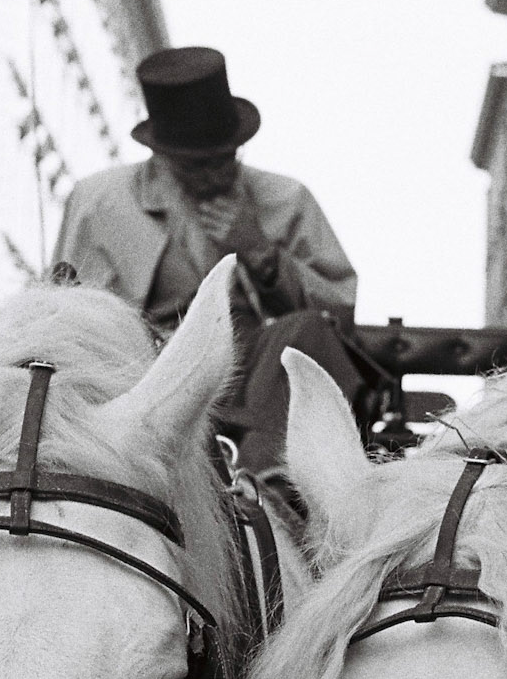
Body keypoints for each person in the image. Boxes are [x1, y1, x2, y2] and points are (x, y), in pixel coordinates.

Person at [52, 45, 364, 475]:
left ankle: (261, 487)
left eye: (226, 159)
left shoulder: (287, 200)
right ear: (162, 157)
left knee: (306, 334)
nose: (216, 177)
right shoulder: (98, 202)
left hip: (253, 380)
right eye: (196, 166)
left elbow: (339, 310)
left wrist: (260, 252)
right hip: (136, 378)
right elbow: (64, 314)